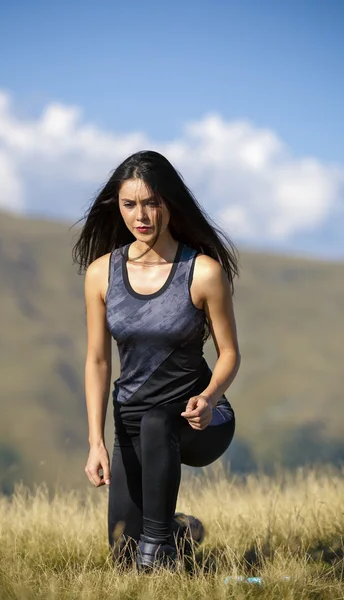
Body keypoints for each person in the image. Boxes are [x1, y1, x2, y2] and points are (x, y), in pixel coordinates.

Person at [72, 150, 241, 571]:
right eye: (130, 204)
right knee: (123, 553)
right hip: (131, 420)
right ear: (119, 207)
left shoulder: (201, 271)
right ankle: (180, 531)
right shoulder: (101, 274)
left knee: (157, 423)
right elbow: (97, 361)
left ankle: (161, 549)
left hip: (198, 419)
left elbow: (230, 353)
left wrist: (210, 396)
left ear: (169, 202)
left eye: (151, 202)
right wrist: (96, 441)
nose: (141, 215)